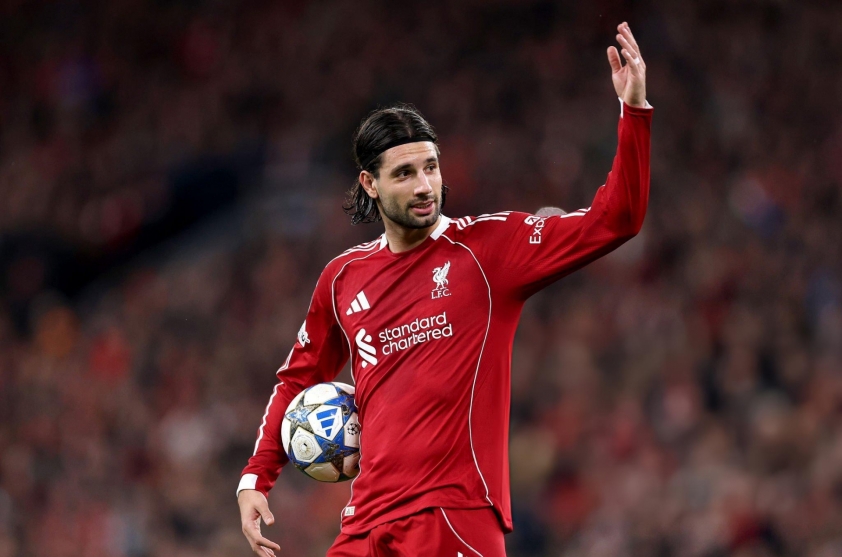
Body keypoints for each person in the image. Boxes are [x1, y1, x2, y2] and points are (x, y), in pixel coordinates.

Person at [237, 22, 652, 557]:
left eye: (430, 167)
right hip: (364, 525)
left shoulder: (487, 250)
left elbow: (616, 219)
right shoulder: (342, 277)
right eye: (405, 173)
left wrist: (633, 111)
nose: (424, 186)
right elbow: (299, 377)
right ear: (369, 183)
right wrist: (256, 477)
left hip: (452, 515)